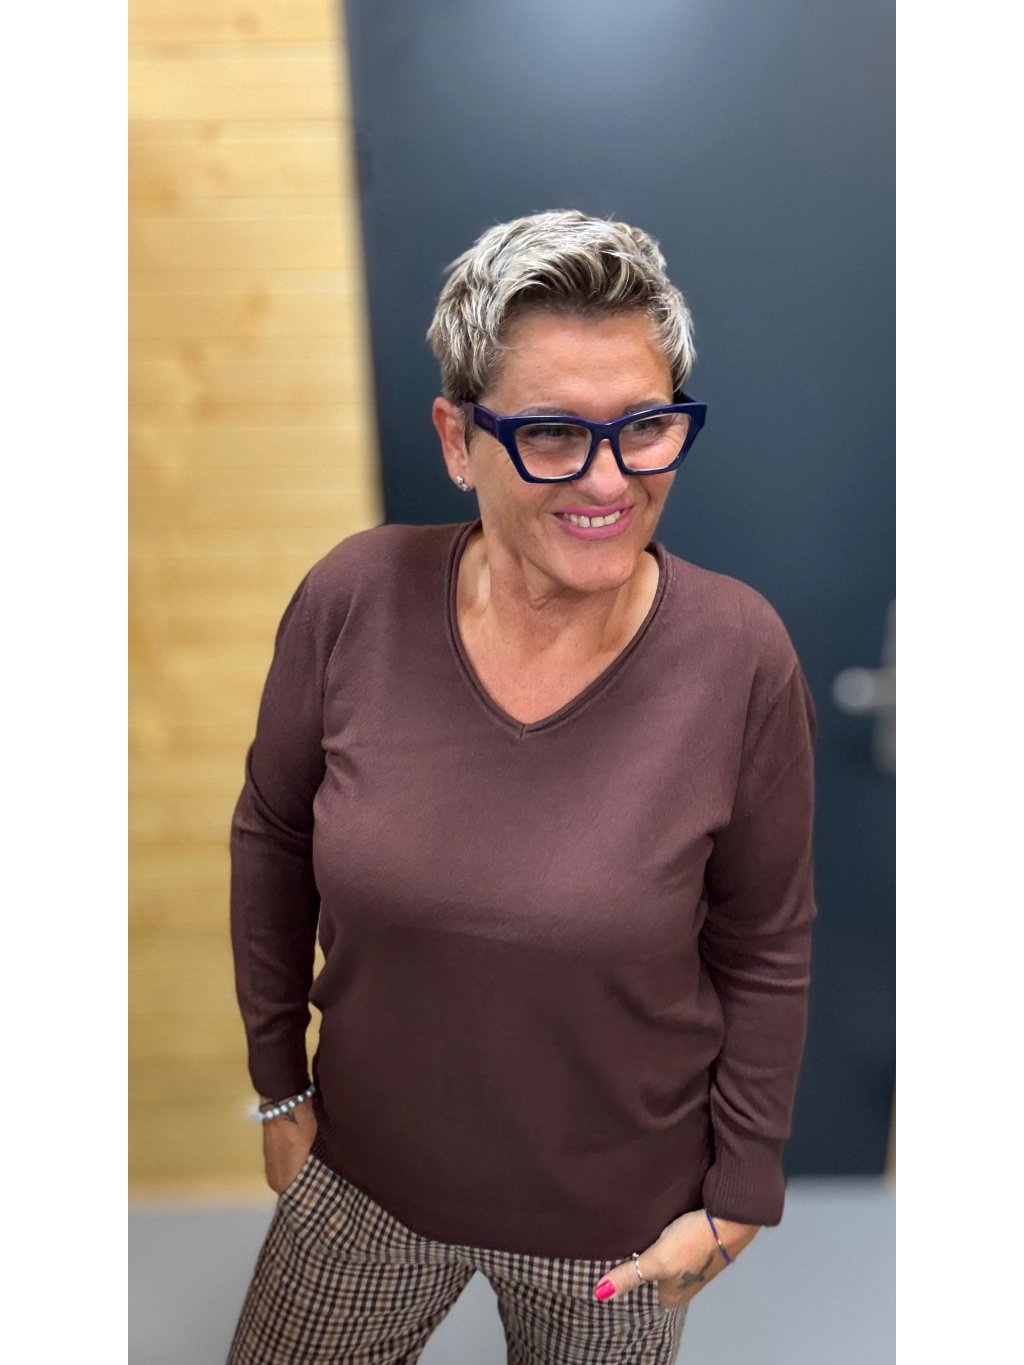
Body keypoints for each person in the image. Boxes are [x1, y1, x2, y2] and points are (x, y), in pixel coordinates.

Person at [227, 209, 817, 1364]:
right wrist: (276, 1084)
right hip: (360, 1180)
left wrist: (741, 1192)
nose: (607, 479)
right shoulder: (352, 599)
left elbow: (764, 943)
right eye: (549, 432)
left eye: (645, 426)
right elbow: (272, 836)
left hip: (620, 1224)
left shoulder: (740, 654)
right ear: (458, 439)